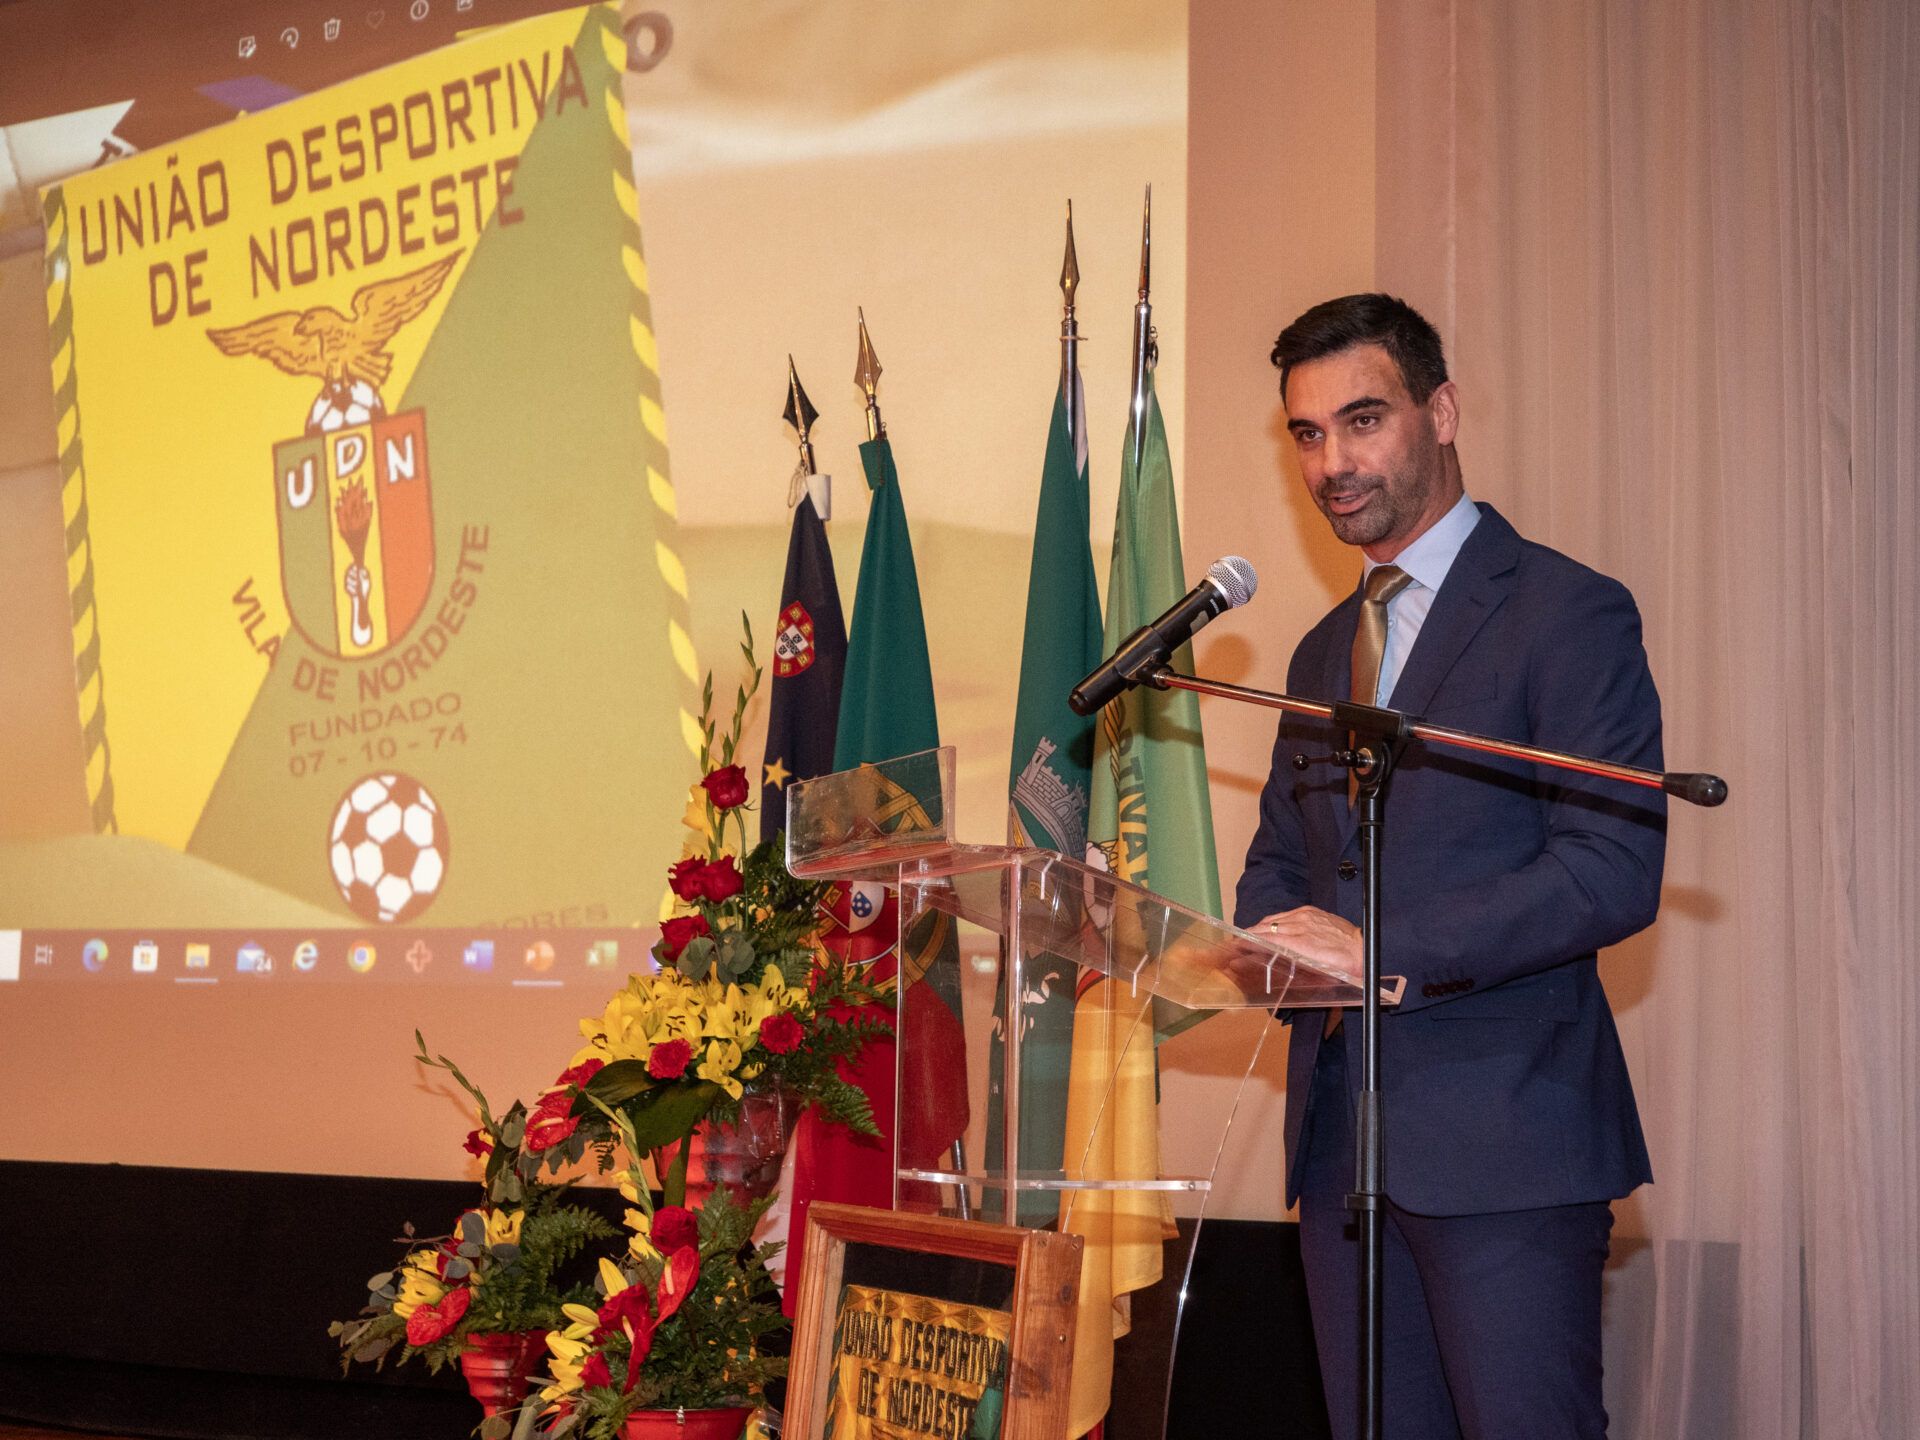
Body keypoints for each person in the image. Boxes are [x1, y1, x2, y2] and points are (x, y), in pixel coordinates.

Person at [1236, 294, 1666, 1440]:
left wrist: (1379, 951)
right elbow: (1281, 866)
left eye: (1362, 419)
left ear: (1441, 411)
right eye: (1308, 434)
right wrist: (1238, 948)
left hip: (1507, 1145)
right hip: (1341, 1152)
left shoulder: (1565, 612)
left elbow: (1611, 866)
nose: (1333, 462)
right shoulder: (1322, 654)